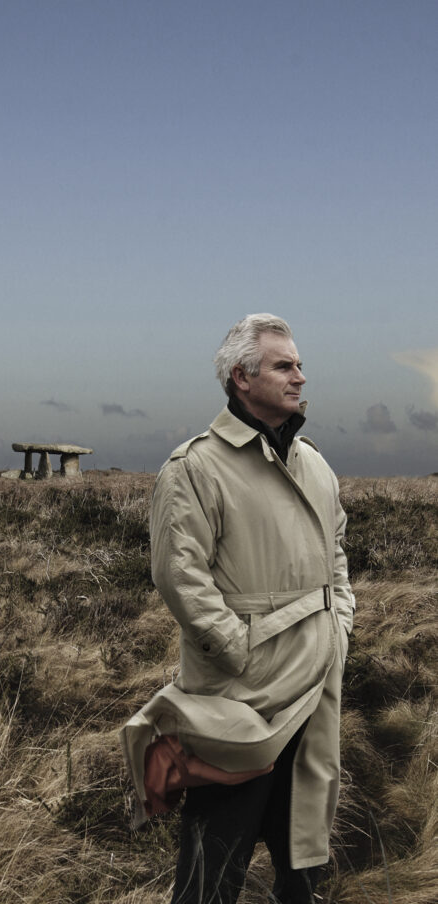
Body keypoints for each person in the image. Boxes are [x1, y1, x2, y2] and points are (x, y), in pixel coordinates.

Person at [145, 314, 354, 904]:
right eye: (285, 366)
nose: (300, 377)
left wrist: (339, 627)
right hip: (242, 704)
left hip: (317, 690)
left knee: (303, 860)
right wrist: (240, 653)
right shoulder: (194, 468)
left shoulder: (315, 464)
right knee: (213, 869)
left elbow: (335, 552)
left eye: (300, 364)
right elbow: (178, 576)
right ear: (241, 376)